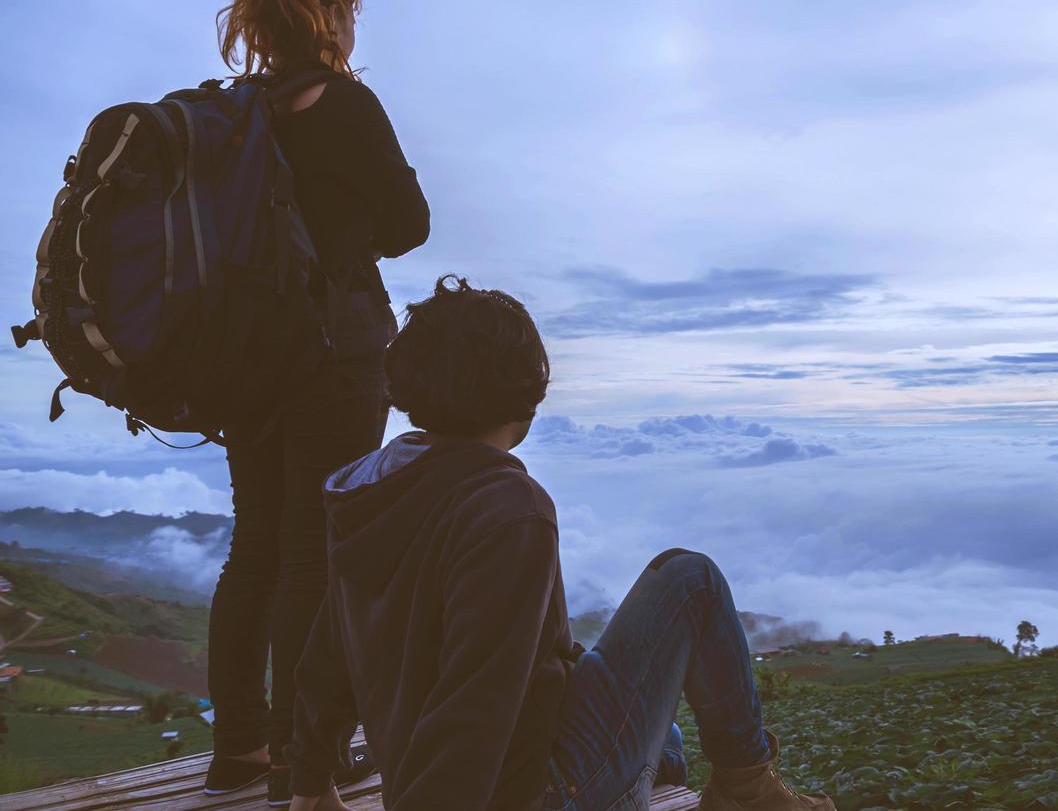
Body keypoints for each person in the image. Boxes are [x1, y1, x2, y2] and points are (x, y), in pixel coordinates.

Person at [285, 277, 834, 811]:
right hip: (535, 794)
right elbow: (474, 704)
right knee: (691, 580)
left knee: (662, 732)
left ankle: (651, 771)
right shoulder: (507, 507)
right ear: (525, 395)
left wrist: (310, 777)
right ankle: (746, 791)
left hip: (444, 775)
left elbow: (327, 648)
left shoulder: (368, 486)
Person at [202, 0, 430, 805]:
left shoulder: (232, 117)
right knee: (311, 556)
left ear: (255, 21)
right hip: (333, 353)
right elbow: (410, 221)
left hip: (240, 363)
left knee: (251, 552)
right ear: (327, 14)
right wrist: (344, 236)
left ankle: (239, 752)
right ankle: (304, 761)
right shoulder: (345, 104)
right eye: (343, 10)